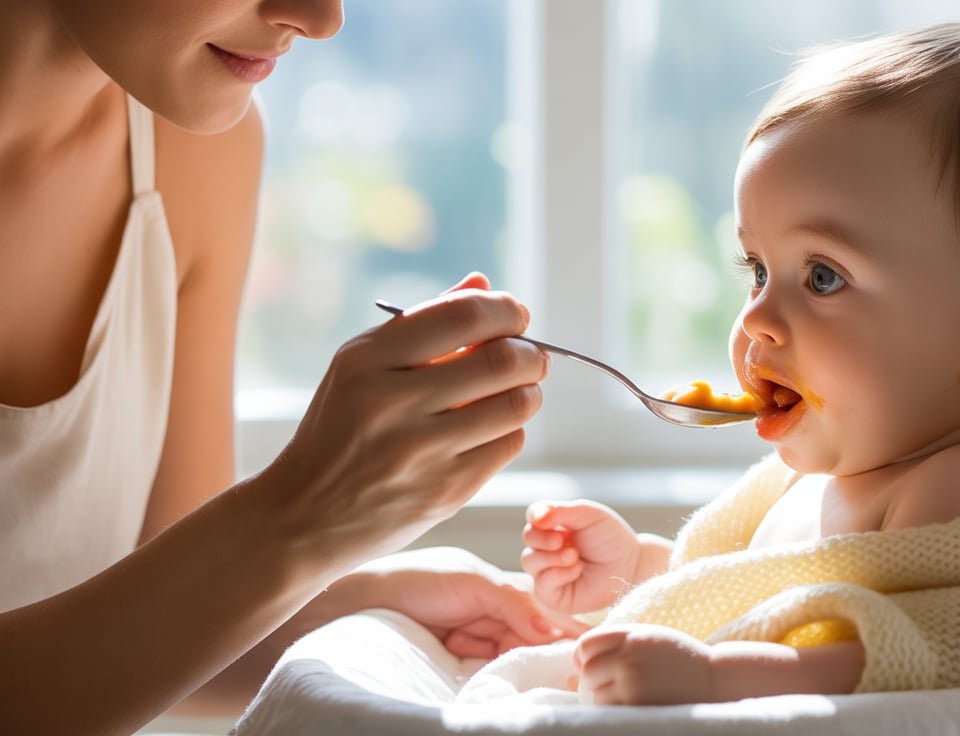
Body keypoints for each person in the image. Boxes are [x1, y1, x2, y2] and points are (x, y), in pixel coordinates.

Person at [517, 22, 960, 706]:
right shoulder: (837, 475)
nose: (755, 317)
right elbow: (757, 593)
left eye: (821, 277)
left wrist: (710, 678)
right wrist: (640, 569)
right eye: (757, 270)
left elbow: (929, 660)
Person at [0, 1, 580, 733]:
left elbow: (159, 603)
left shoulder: (191, 150)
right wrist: (300, 517)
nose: (322, 16)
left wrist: (361, 602)